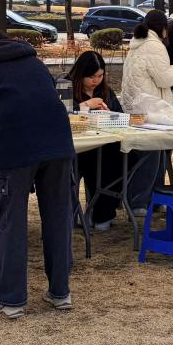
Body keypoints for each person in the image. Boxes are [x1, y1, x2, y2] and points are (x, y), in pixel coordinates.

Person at [0, 29, 76, 319]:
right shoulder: (34, 62)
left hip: (15, 150)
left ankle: (11, 299)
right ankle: (60, 292)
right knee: (58, 219)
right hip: (59, 145)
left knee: (11, 223)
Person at [120, 10, 173, 206]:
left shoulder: (137, 43)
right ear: (162, 28)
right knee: (152, 158)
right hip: (151, 112)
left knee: (144, 158)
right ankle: (143, 201)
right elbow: (164, 78)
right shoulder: (154, 46)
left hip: (135, 108)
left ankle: (148, 200)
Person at [67, 51, 126, 231]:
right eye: (91, 77)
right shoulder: (66, 87)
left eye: (100, 76)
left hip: (102, 146)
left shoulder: (105, 91)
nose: (96, 81)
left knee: (122, 157)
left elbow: (119, 115)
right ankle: (92, 213)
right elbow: (61, 114)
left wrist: (109, 115)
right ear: (80, 74)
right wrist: (85, 106)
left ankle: (102, 213)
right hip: (77, 148)